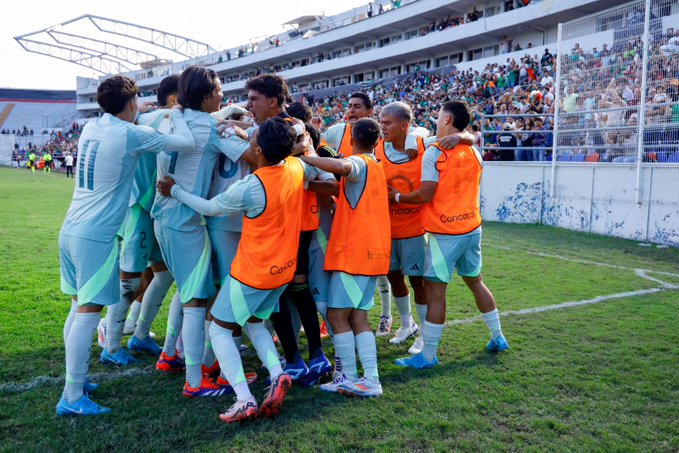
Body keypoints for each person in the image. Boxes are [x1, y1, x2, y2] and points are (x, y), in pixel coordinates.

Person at [157, 117, 321, 422]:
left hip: (253, 272)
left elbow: (210, 209)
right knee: (256, 324)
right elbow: (313, 167)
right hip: (283, 270)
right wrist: (303, 146)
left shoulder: (252, 185)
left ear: (257, 148)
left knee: (219, 328)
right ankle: (276, 373)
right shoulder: (295, 168)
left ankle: (244, 398)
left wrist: (175, 191)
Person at [56, 75, 195, 417]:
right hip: (96, 235)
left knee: (77, 308)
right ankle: (72, 396)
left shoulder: (91, 126)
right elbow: (185, 142)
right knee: (88, 313)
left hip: (71, 228)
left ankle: (75, 382)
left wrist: (141, 111)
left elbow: (127, 120)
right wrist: (175, 112)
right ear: (131, 103)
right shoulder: (130, 133)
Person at [150, 66, 255, 398]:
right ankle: (195, 381)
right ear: (206, 94)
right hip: (184, 220)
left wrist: (228, 120)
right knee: (196, 300)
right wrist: (241, 129)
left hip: (163, 217)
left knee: (188, 292)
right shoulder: (209, 128)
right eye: (219, 90)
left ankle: (174, 355)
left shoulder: (170, 118)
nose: (223, 95)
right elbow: (255, 155)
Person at [389, 100, 509, 370]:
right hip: (471, 228)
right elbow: (464, 139)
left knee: (435, 291)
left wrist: (395, 197)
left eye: (439, 115)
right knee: (476, 281)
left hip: (445, 233)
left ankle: (428, 355)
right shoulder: (474, 151)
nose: (435, 119)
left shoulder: (435, 153)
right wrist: (464, 135)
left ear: (446, 120)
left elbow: (426, 194)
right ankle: (498, 337)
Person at [245, 74, 332, 386]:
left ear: (272, 101)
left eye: (253, 99)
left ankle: (300, 359)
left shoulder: (293, 126)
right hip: (287, 220)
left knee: (284, 287)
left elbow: (303, 158)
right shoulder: (271, 127)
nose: (248, 105)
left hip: (290, 222)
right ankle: (310, 357)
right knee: (294, 287)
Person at [301, 118, 390, 398]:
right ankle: (367, 378)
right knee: (359, 317)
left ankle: (353, 377)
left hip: (355, 254)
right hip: (373, 253)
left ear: (352, 139)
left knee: (339, 315)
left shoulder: (360, 162)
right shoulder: (378, 166)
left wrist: (308, 155)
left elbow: (342, 167)